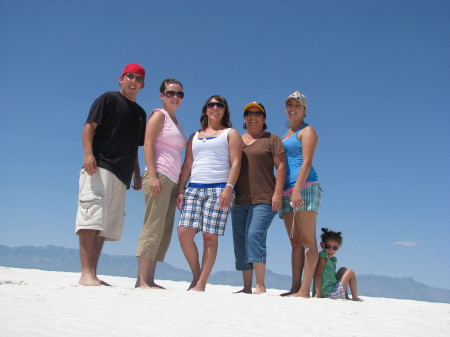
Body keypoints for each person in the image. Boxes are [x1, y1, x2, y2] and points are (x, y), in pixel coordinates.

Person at [75, 63, 147, 286]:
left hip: (122, 176)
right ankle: (85, 274)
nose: (133, 82)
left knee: (103, 224)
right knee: (91, 218)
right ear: (121, 79)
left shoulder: (140, 114)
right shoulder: (108, 99)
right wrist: (88, 154)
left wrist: (136, 175)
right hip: (100, 167)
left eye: (138, 79)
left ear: (142, 85)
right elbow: (89, 126)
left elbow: (134, 147)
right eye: (129, 77)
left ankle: (93, 274)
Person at [176, 95, 242, 291]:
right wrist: (181, 190)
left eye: (219, 105)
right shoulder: (194, 136)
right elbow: (187, 164)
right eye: (211, 105)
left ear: (224, 110)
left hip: (219, 188)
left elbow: (236, 162)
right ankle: (196, 275)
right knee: (184, 233)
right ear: (205, 110)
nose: (215, 108)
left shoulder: (230, 133)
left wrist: (229, 188)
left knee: (209, 237)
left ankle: (201, 283)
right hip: (194, 188)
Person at [135, 79, 187, 289]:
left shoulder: (176, 121)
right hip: (159, 176)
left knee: (164, 230)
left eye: (179, 94)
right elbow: (147, 145)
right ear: (162, 96)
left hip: (172, 181)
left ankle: (150, 279)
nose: (175, 97)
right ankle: (141, 280)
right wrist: (154, 176)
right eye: (171, 93)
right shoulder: (159, 115)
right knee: (152, 227)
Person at [231, 101, 286, 294]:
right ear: (244, 119)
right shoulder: (236, 139)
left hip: (264, 198)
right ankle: (246, 287)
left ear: (264, 118)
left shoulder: (272, 139)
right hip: (239, 199)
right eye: (249, 113)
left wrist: (277, 193)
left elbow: (280, 167)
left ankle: (260, 284)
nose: (253, 116)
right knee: (240, 240)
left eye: (258, 113)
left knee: (254, 235)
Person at [278, 91, 323, 297]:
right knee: (294, 242)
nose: (292, 108)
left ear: (304, 110)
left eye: (297, 105)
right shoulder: (286, 135)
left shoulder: (308, 131)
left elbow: (307, 161)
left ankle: (305, 290)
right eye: (289, 105)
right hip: (287, 190)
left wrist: (297, 189)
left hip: (304, 188)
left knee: (308, 241)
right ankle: (295, 288)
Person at [314, 228, 361, 300]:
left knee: (343, 269)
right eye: (328, 246)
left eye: (335, 247)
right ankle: (355, 297)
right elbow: (318, 274)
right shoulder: (323, 256)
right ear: (322, 245)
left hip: (331, 290)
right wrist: (318, 294)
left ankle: (345, 295)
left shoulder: (333, 259)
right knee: (350, 272)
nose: (331, 250)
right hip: (328, 294)